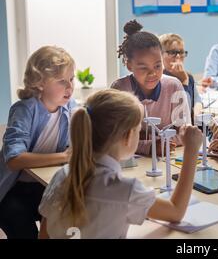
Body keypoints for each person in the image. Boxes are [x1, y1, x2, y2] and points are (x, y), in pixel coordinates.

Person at [38, 89, 203, 239]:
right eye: (138, 129)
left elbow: (44, 233)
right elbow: (175, 211)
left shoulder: (61, 176)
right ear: (128, 136)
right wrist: (191, 150)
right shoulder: (125, 189)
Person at [0, 46, 76, 238]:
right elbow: (14, 159)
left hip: (46, 185)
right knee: (19, 223)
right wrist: (64, 157)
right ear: (39, 83)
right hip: (12, 191)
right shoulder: (24, 110)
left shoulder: (70, 108)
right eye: (61, 81)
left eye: (71, 79)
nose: (70, 87)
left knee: (69, 218)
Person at [112, 20, 191, 156]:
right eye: (143, 67)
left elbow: (185, 132)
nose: (152, 73)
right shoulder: (120, 89)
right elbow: (115, 139)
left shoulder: (174, 85)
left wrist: (146, 139)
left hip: (169, 157)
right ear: (129, 65)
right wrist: (150, 146)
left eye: (157, 65)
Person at [159, 33, 202, 120]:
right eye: (172, 52)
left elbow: (197, 99)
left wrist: (198, 106)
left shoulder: (188, 76)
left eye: (181, 52)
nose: (178, 56)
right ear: (160, 55)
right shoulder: (161, 80)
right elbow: (181, 115)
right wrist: (184, 81)